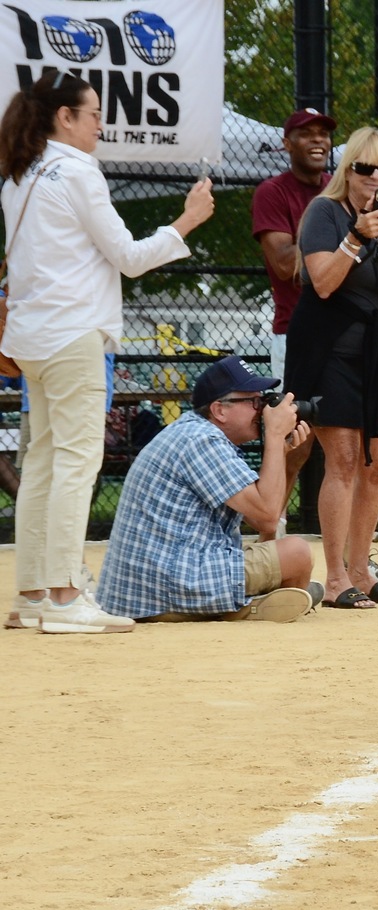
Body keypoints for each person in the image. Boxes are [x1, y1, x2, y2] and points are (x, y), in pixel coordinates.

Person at [0, 69, 214, 634]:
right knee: (74, 461)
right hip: (73, 333)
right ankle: (67, 594)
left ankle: (35, 593)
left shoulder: (20, 175)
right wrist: (187, 221)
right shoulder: (76, 171)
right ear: (64, 118)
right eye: (93, 113)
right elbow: (127, 255)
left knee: (43, 461)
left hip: (31, 337)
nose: (101, 124)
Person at [284, 126, 378, 610]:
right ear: (348, 172)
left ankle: (362, 569)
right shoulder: (325, 212)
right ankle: (336, 576)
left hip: (370, 353)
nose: (376, 177)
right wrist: (357, 234)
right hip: (326, 350)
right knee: (341, 462)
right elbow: (321, 283)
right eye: (366, 168)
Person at [93, 356, 317, 623]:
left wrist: (284, 457)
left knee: (285, 558)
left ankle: (246, 603)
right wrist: (276, 435)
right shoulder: (202, 441)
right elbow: (267, 516)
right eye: (254, 402)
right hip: (171, 582)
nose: (263, 410)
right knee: (297, 553)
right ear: (219, 410)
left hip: (152, 584)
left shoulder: (195, 434)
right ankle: (242, 609)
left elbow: (263, 525)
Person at [251, 107, 336, 384]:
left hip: (343, 329)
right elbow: (285, 264)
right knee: (299, 423)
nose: (317, 140)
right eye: (306, 134)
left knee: (345, 426)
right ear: (287, 144)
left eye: (323, 134)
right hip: (297, 330)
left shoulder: (338, 187)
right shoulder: (272, 191)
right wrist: (333, 232)